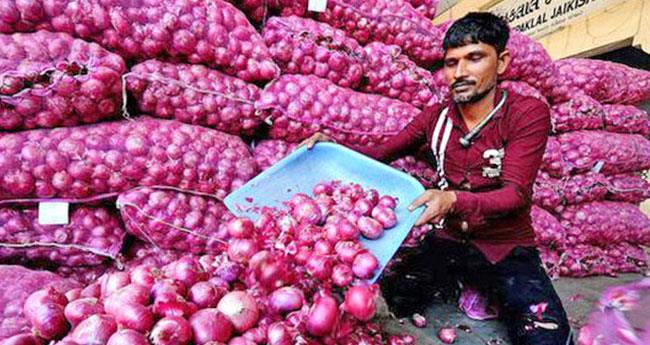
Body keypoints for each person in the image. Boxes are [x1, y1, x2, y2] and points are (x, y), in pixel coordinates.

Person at [300, 12, 574, 345]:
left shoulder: (526, 112)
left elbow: (515, 194)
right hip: (448, 242)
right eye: (451, 62)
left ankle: (481, 287)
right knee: (396, 296)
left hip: (505, 246)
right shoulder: (436, 117)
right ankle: (467, 284)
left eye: (474, 59)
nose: (459, 73)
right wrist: (336, 145)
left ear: (501, 62)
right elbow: (382, 152)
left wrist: (452, 199)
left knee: (547, 336)